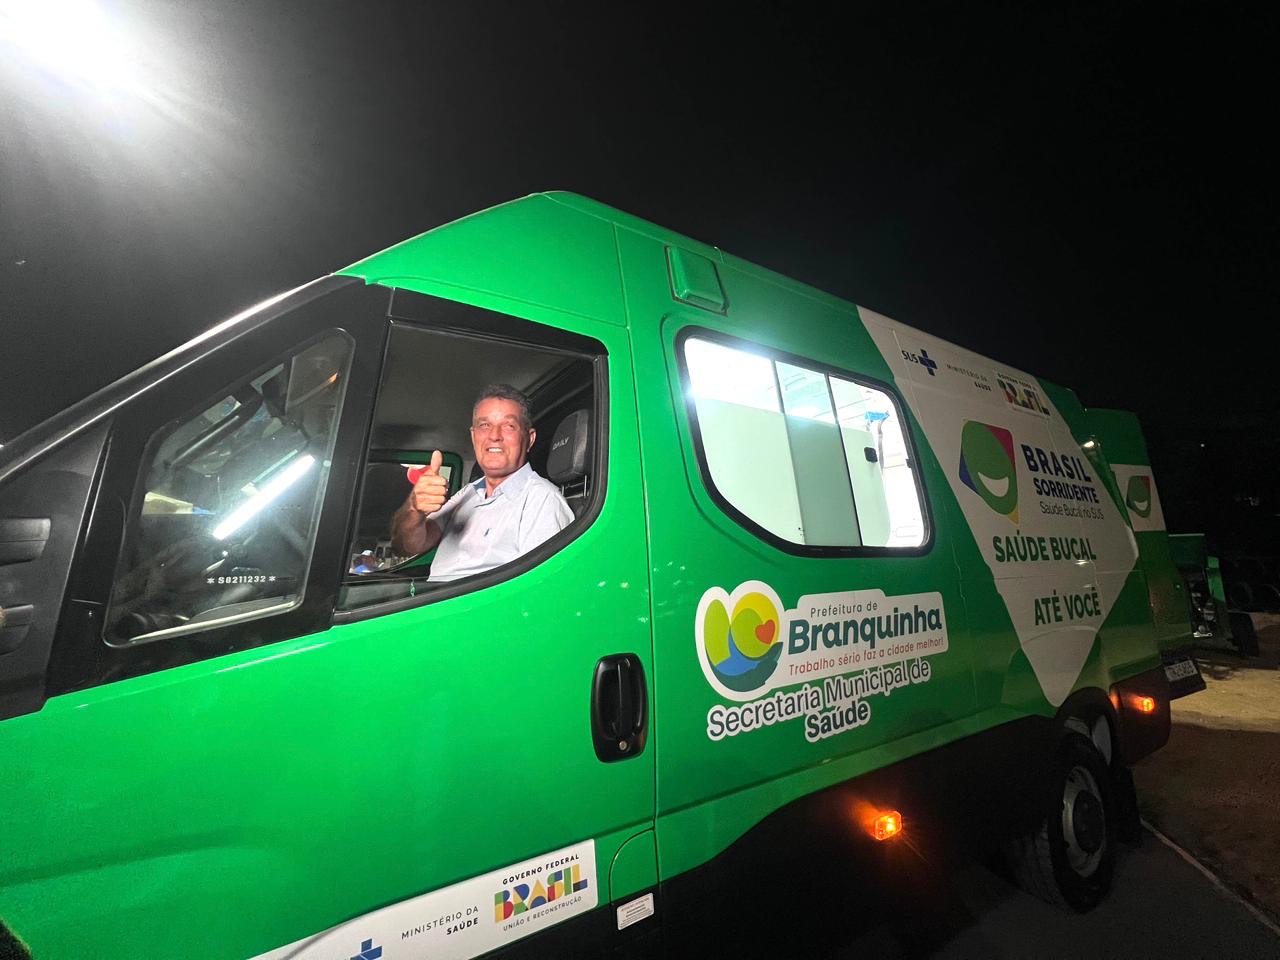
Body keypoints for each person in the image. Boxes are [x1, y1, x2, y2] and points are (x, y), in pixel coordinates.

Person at [391, 384, 573, 582]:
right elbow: (407, 546)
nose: (494, 436)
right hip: (438, 598)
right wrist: (415, 509)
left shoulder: (543, 501)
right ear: (473, 436)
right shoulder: (467, 493)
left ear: (529, 439)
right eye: (484, 425)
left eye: (509, 426)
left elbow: (539, 589)